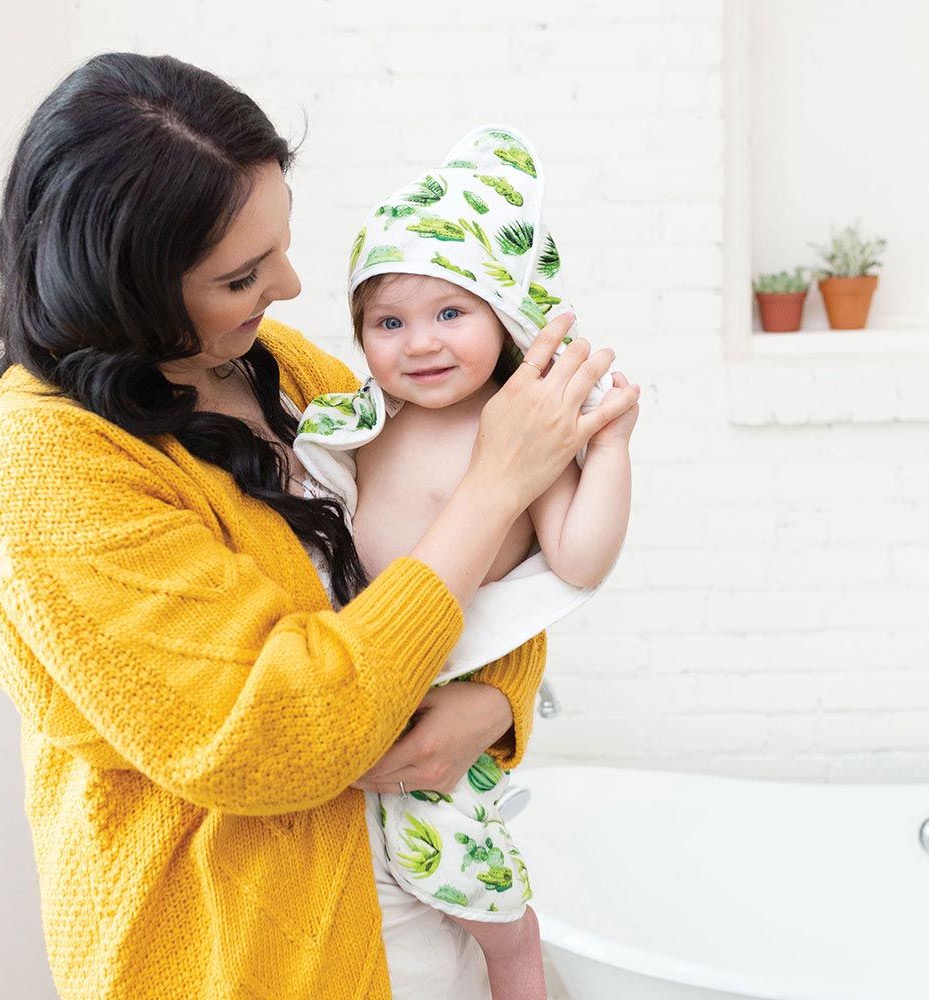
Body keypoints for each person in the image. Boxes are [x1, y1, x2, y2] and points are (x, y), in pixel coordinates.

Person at [0, 54, 632, 1000]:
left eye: (282, 245)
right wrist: (499, 484)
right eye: (244, 274)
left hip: (415, 914)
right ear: (128, 286)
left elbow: (456, 578)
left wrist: (498, 697)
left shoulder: (268, 364)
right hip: (252, 957)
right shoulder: (46, 459)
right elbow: (276, 734)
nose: (294, 286)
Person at [291, 125, 640, 999]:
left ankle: (516, 955)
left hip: (438, 679)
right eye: (389, 322)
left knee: (467, 873)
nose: (421, 343)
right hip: (357, 673)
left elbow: (580, 559)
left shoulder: (528, 429)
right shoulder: (360, 421)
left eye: (452, 313)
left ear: (505, 319)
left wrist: (611, 452)